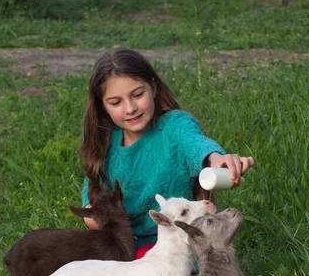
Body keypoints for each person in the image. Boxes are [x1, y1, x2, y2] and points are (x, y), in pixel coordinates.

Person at [79, 48, 254, 259]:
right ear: (103, 106)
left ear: (153, 88)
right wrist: (110, 226)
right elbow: (90, 206)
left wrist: (217, 160)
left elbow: (196, 145)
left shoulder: (174, 126)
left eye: (137, 94)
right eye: (116, 102)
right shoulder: (106, 142)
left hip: (177, 249)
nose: (130, 108)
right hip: (123, 250)